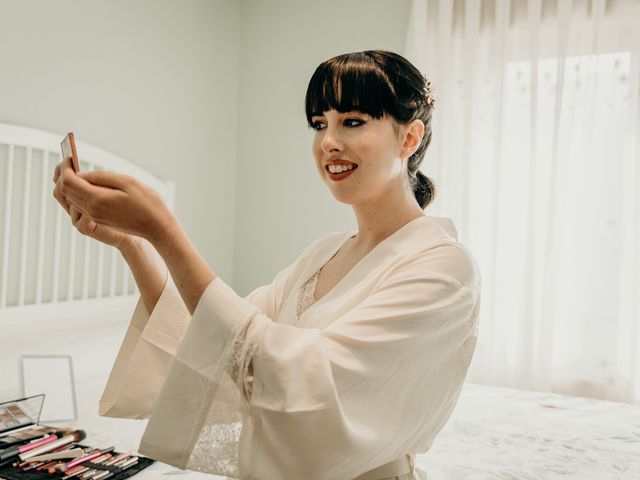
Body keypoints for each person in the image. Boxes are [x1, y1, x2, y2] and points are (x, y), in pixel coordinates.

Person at [53, 50, 481, 480]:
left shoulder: (445, 267)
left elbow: (302, 379)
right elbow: (219, 344)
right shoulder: (324, 253)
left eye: (352, 121)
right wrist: (136, 243)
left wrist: (167, 231)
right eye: (319, 124)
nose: (329, 141)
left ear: (409, 138)